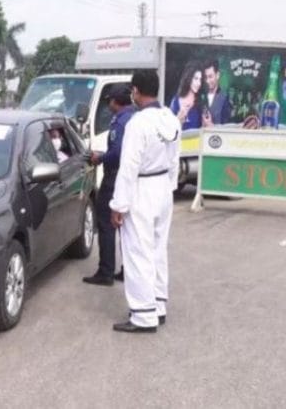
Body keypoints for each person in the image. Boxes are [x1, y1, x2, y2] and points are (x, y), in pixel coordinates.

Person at [110, 69, 181, 334]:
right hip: (163, 187)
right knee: (157, 249)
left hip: (142, 188)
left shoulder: (137, 123)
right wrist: (170, 187)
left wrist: (118, 205)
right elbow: (175, 157)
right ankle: (158, 305)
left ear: (136, 91)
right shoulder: (170, 119)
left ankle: (142, 315)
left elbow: (128, 167)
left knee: (138, 252)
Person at [82, 83, 135, 286]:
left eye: (110, 101)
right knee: (127, 228)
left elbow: (119, 153)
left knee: (106, 223)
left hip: (115, 177)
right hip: (130, 179)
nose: (108, 105)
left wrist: (99, 158)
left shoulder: (121, 121)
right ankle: (127, 269)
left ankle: (105, 271)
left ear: (115, 102)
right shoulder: (135, 116)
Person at [170, 61, 207, 130]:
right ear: (188, 78)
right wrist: (178, 121)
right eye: (196, 79)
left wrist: (206, 125)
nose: (199, 83)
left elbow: (203, 131)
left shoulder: (201, 103)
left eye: (200, 79)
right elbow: (169, 131)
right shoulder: (175, 101)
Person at [203, 59, 233, 126]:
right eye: (205, 77)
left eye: (210, 77)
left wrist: (210, 125)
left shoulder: (224, 99)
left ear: (217, 75)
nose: (207, 81)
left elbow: (227, 130)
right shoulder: (201, 96)